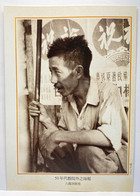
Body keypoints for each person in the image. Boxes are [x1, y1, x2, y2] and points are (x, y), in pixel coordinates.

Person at [29, 35, 128, 173]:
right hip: (84, 163)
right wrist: (45, 120)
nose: (52, 79)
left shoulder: (108, 91)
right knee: (47, 140)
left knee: (86, 151)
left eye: (57, 71)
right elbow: (66, 138)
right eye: (51, 72)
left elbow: (108, 137)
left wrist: (57, 136)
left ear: (78, 72)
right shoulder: (68, 98)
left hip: (113, 164)